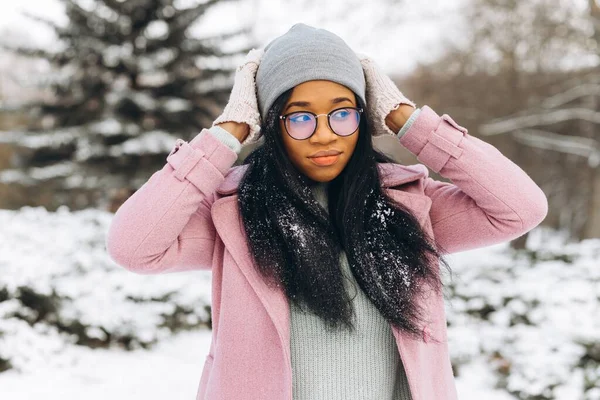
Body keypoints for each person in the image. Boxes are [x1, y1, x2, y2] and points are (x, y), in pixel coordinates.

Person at [106, 23, 548, 400]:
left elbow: (520, 208)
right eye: (299, 118)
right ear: (272, 124)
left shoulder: (410, 208)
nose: (324, 135)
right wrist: (228, 132)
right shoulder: (234, 216)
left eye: (342, 114)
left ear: (364, 117)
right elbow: (133, 245)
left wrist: (407, 119)